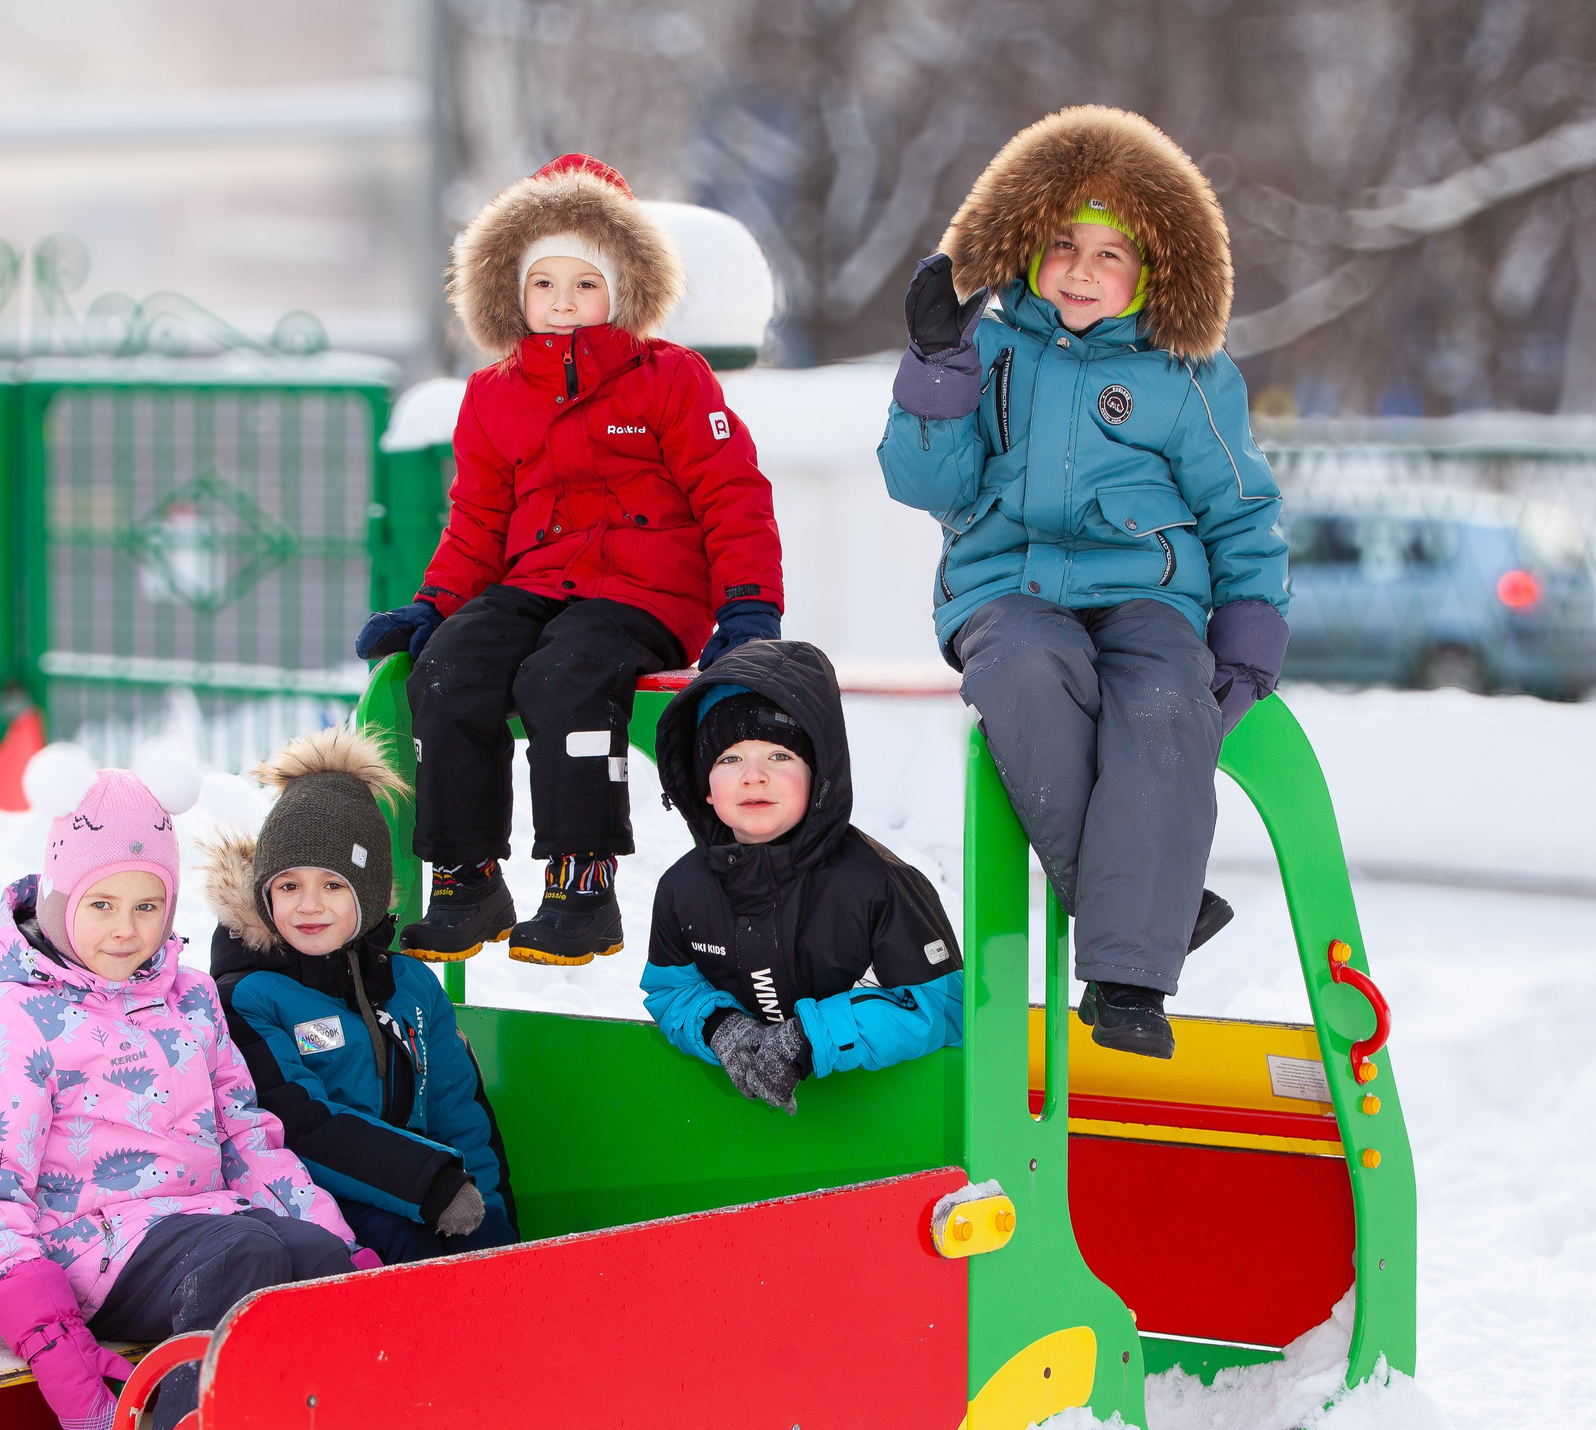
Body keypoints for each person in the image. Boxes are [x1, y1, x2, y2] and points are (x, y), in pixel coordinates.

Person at [876, 105, 1290, 1060]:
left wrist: (1249, 630)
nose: (1081, 270)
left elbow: (1238, 506)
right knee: (1026, 669)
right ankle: (1149, 916)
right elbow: (925, 483)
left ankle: (1129, 985)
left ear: (1155, 272)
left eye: (1111, 255)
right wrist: (935, 366)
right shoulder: (983, 350)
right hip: (1006, 589)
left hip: (1147, 593)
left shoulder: (1186, 374)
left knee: (1164, 706)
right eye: (1062, 244)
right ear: (1023, 246)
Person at [353, 152, 785, 968]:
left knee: (565, 676)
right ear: (510, 291)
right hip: (537, 584)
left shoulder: (671, 379)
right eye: (543, 283)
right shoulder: (494, 393)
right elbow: (477, 519)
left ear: (623, 288)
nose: (562, 302)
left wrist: (749, 603)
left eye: (585, 283)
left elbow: (733, 494)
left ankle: (581, 889)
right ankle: (467, 880)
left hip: (646, 593)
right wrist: (434, 605)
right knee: (446, 670)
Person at [0, 762, 356, 1430]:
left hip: (209, 1223)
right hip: (91, 1253)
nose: (126, 931)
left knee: (317, 1260)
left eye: (147, 906)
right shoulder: (17, 1020)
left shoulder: (190, 998)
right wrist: (58, 1350)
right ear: (61, 900)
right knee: (243, 1255)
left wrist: (348, 1252)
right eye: (101, 905)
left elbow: (245, 1137)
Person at [205, 725, 517, 1266]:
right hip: (319, 1203)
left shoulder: (412, 986)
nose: (308, 906)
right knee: (414, 1259)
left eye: (332, 885)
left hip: (431, 1192)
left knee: (488, 1253)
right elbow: (300, 1123)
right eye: (288, 886)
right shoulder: (249, 997)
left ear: (368, 894)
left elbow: (459, 1109)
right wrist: (430, 1182)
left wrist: (489, 1214)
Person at [639, 640, 964, 1115]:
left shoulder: (877, 884)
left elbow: (943, 1006)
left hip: (880, 1120)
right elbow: (672, 989)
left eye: (779, 756)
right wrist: (720, 1026)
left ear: (819, 776)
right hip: (747, 1133)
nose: (753, 776)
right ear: (703, 786)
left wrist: (811, 1038)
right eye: (729, 759)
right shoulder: (682, 889)